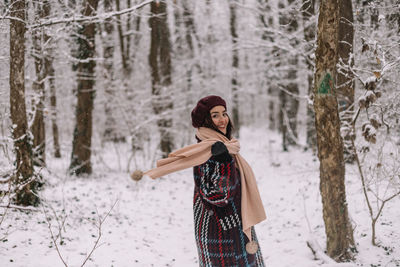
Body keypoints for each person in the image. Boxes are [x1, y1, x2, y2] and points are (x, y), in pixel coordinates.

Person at [138, 95, 266, 267]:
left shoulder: (224, 145)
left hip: (234, 226)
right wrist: (223, 162)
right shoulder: (207, 151)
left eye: (224, 113)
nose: (222, 120)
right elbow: (218, 196)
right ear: (206, 121)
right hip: (221, 232)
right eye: (215, 115)